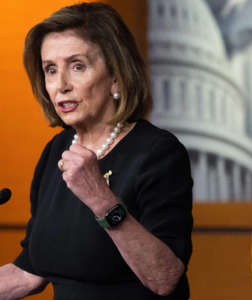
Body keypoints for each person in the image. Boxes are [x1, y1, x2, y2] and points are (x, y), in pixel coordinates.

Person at [0, 2, 193, 300]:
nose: (60, 85)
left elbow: (164, 278)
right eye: (50, 70)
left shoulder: (157, 154)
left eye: (77, 66)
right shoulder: (56, 151)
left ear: (116, 76)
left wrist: (101, 199)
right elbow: (31, 271)